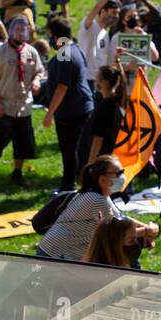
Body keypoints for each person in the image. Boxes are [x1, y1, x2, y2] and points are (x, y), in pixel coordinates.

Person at [37, 154, 157, 262]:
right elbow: (119, 232)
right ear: (103, 179)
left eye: (122, 171)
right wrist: (148, 232)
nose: (123, 176)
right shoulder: (96, 200)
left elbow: (121, 218)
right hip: (54, 255)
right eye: (118, 173)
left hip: (59, 253)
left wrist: (147, 228)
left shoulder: (100, 195)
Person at [0, 14, 43, 189]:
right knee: (1, 137)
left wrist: (36, 81)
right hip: (3, 103)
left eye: (24, 29)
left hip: (23, 104)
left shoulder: (31, 51)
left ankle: (17, 173)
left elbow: (39, 71)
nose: (21, 32)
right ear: (11, 30)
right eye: (17, 29)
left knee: (23, 140)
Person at [40, 19, 94, 191]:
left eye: (50, 35)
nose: (49, 39)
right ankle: (74, 183)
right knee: (74, 150)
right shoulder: (75, 49)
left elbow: (63, 86)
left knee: (69, 151)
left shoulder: (65, 53)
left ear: (56, 36)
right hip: (80, 107)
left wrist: (49, 114)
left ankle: (68, 186)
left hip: (72, 111)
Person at [76, 62, 126, 169]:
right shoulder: (118, 102)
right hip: (115, 155)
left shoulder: (104, 107)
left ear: (104, 82)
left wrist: (90, 164)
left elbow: (98, 139)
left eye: (97, 77)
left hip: (103, 159)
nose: (95, 80)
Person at [77, 0, 121, 90]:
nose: (116, 16)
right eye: (114, 12)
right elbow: (97, 6)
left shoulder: (105, 34)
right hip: (85, 79)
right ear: (103, 11)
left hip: (99, 82)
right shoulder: (89, 26)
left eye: (118, 13)